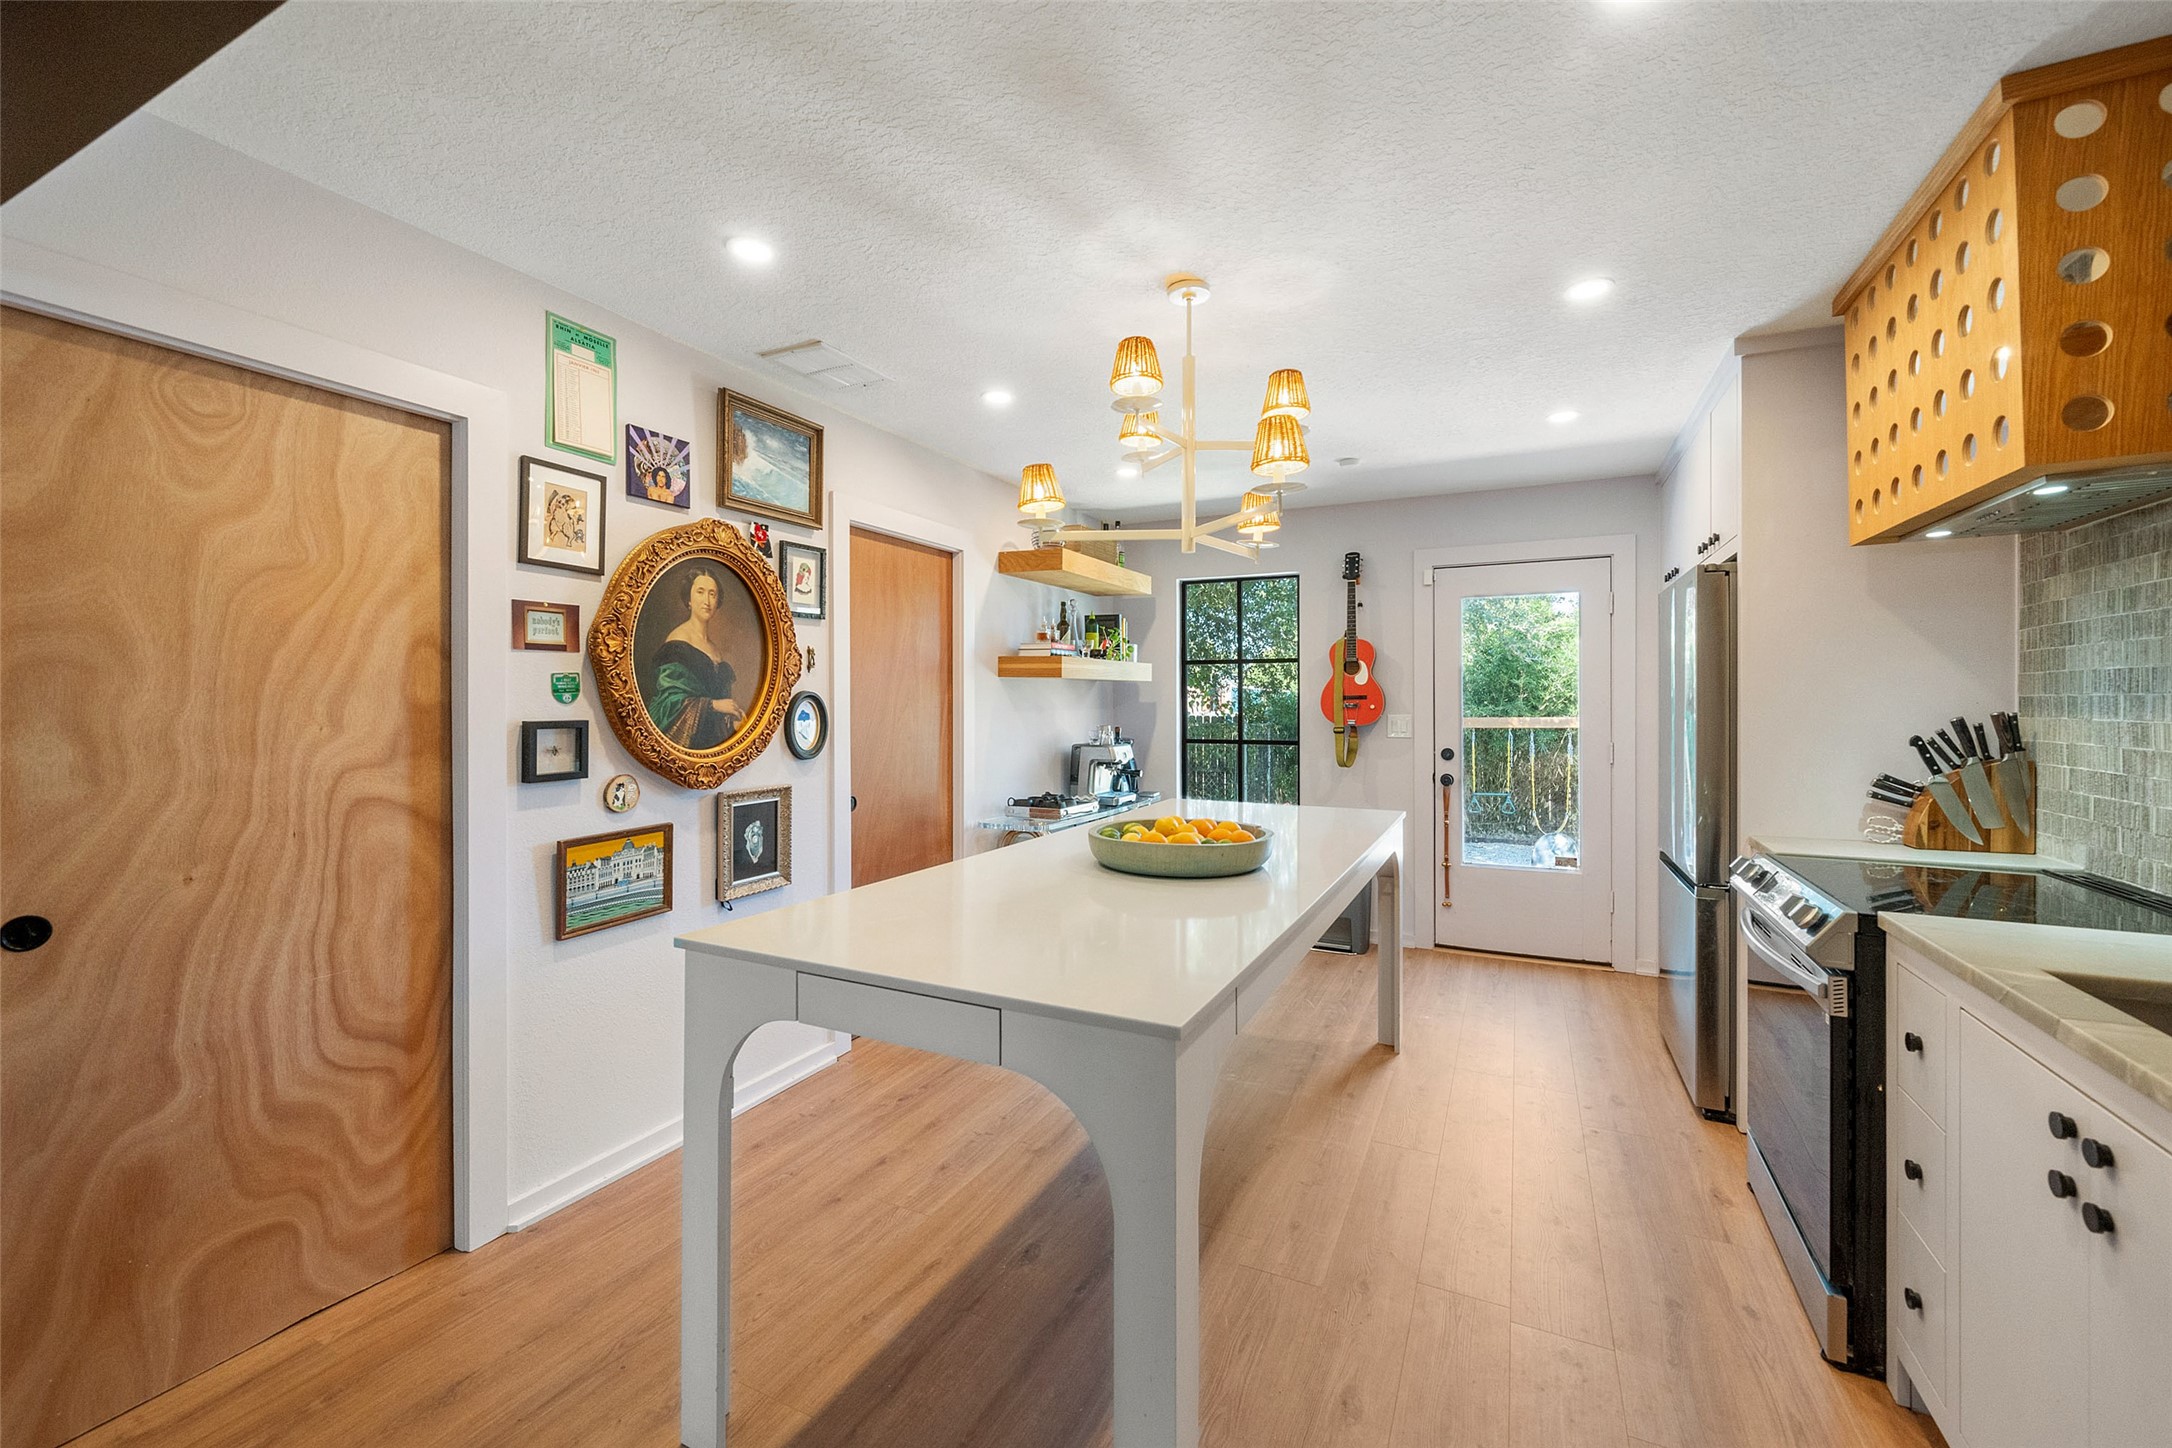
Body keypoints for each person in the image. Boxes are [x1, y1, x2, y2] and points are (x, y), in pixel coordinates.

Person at [646, 568, 743, 747]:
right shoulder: (677, 642)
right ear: (689, 599)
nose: (707, 601)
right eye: (700, 592)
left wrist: (732, 721)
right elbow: (667, 704)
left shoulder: (714, 648)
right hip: (687, 743)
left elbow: (719, 704)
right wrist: (713, 705)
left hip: (711, 742)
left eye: (712, 594)